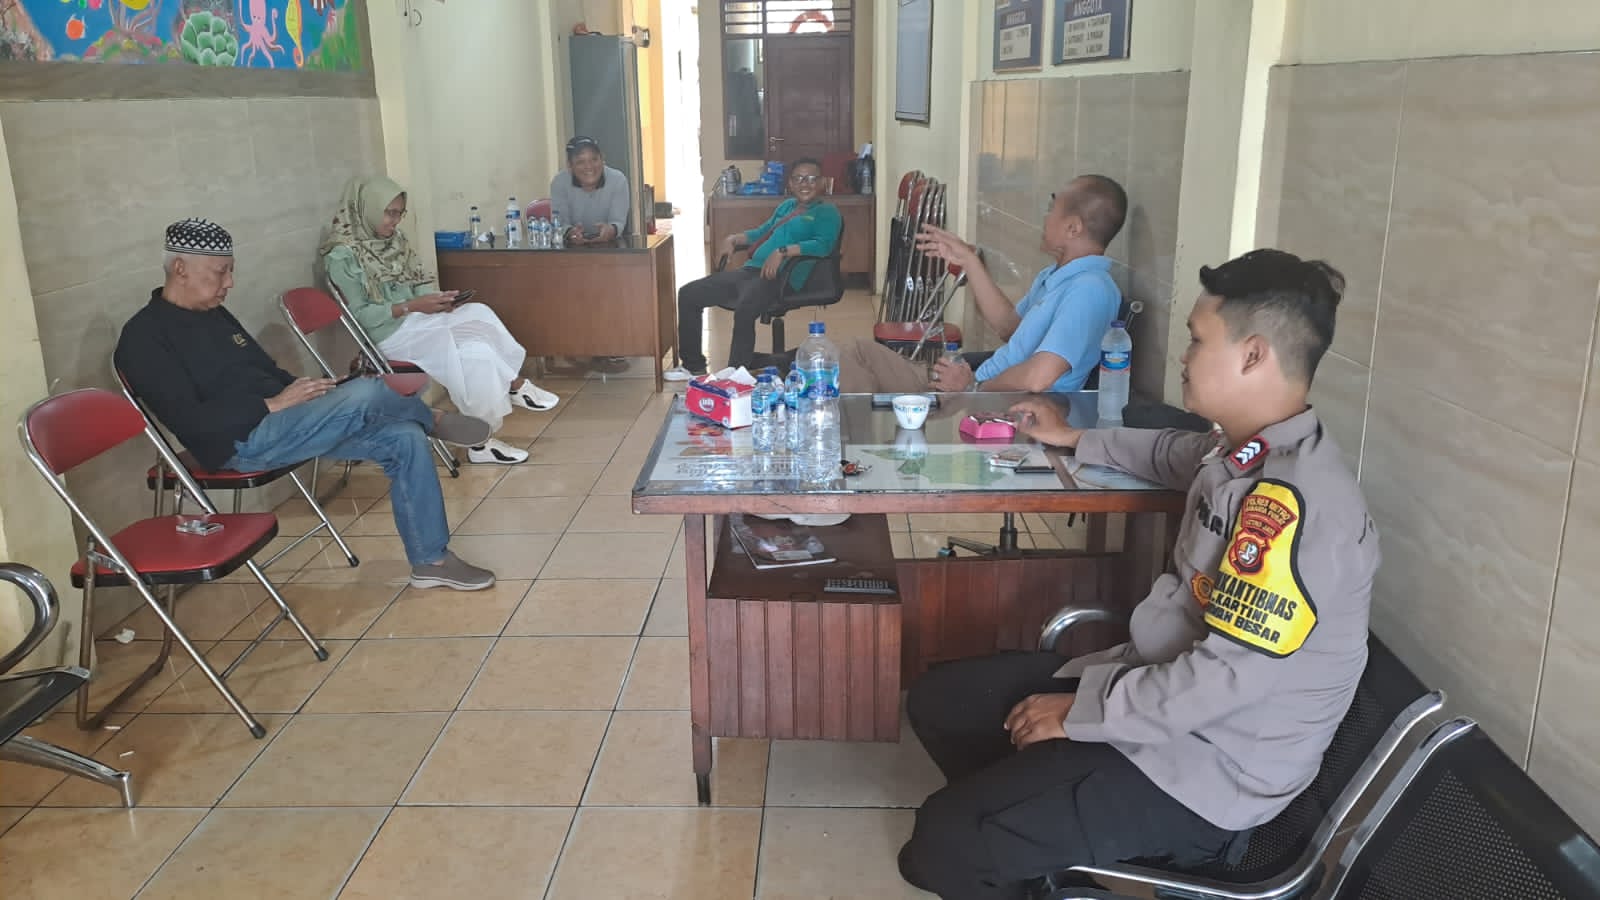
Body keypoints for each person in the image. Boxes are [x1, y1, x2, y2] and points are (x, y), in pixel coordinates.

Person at [896, 249, 1378, 900]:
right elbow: (1177, 454)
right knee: (941, 702)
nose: (1184, 355)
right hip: (1159, 698)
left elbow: (1222, 680)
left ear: (1253, 355)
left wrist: (1081, 712)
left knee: (938, 847)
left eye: (1197, 339)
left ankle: (1001, 838)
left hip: (1206, 772)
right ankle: (1026, 835)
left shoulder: (1293, 506)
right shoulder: (1245, 452)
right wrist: (1073, 438)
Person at [117, 218, 499, 591]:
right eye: (221, 272)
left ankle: (431, 562)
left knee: (404, 438)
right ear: (180, 268)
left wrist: (312, 393)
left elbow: (263, 369)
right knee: (369, 392)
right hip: (242, 442)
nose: (229, 282)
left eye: (231, 271)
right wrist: (272, 405)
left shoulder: (213, 313)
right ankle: (432, 419)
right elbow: (191, 423)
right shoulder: (144, 338)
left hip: (286, 421)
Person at [320, 175, 560, 467]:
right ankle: (502, 407)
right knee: (477, 353)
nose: (395, 221)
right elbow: (359, 315)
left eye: (399, 213)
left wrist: (437, 301)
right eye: (389, 213)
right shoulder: (342, 255)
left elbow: (418, 283)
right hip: (387, 336)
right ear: (367, 208)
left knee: (479, 316)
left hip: (417, 322)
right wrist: (410, 306)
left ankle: (495, 418)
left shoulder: (395, 241)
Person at [838, 174, 1126, 395]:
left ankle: (848, 440)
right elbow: (1009, 327)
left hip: (990, 402)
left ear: (1073, 228)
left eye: (1053, 209)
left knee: (845, 363)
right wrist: (969, 261)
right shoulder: (1055, 275)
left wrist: (973, 387)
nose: (1045, 217)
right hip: (974, 384)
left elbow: (1039, 378)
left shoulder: (1090, 290)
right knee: (854, 353)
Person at [665, 158, 843, 379]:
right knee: (689, 294)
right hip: (750, 272)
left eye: (811, 179)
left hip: (781, 278)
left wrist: (783, 251)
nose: (804, 184)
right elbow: (762, 232)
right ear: (790, 183)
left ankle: (736, 373)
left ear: (823, 182)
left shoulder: (827, 212)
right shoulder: (786, 206)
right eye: (798, 178)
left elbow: (823, 245)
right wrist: (733, 238)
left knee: (745, 307)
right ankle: (693, 366)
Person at [550, 135, 630, 246]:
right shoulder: (559, 182)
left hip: (611, 247)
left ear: (603, 159)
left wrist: (611, 230)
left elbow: (618, 222)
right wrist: (570, 232)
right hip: (572, 248)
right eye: (580, 162)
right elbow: (560, 223)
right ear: (570, 166)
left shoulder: (618, 180)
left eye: (594, 159)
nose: (589, 166)